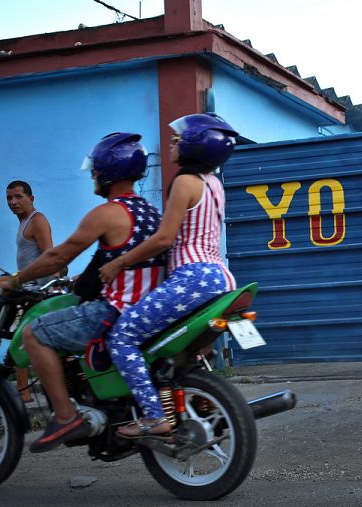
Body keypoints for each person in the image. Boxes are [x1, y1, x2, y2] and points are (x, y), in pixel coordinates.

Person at [0, 133, 167, 452]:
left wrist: (16, 280)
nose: (93, 176)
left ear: (108, 171)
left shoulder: (107, 213)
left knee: (34, 333)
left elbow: (58, 256)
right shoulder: (151, 212)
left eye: (96, 170)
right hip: (152, 309)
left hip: (116, 310)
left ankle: (65, 416)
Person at [99, 113, 237, 437]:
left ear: (195, 145)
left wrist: (118, 263)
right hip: (221, 278)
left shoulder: (185, 182)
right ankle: (201, 401)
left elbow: (164, 238)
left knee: (123, 336)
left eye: (178, 138)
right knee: (171, 352)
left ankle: (153, 416)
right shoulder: (214, 183)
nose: (172, 143)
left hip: (192, 279)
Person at [6, 180, 55, 403]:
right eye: (9, 198)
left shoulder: (37, 221)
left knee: (21, 341)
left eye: (18, 197)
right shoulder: (23, 221)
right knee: (18, 340)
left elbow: (50, 257)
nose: (13, 202)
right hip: (26, 292)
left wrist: (49, 291)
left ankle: (25, 396)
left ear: (31, 198)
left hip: (37, 294)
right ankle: (23, 394)